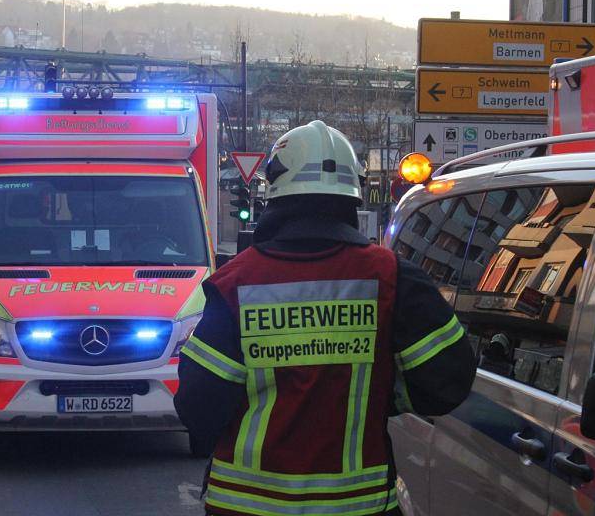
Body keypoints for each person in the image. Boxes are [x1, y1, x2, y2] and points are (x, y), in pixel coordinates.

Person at [174, 121, 477, 516]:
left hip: (247, 506)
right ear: (353, 196)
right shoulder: (393, 277)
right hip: (360, 507)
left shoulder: (236, 283)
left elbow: (198, 406)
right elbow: (448, 383)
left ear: (274, 193)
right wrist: (379, 393)